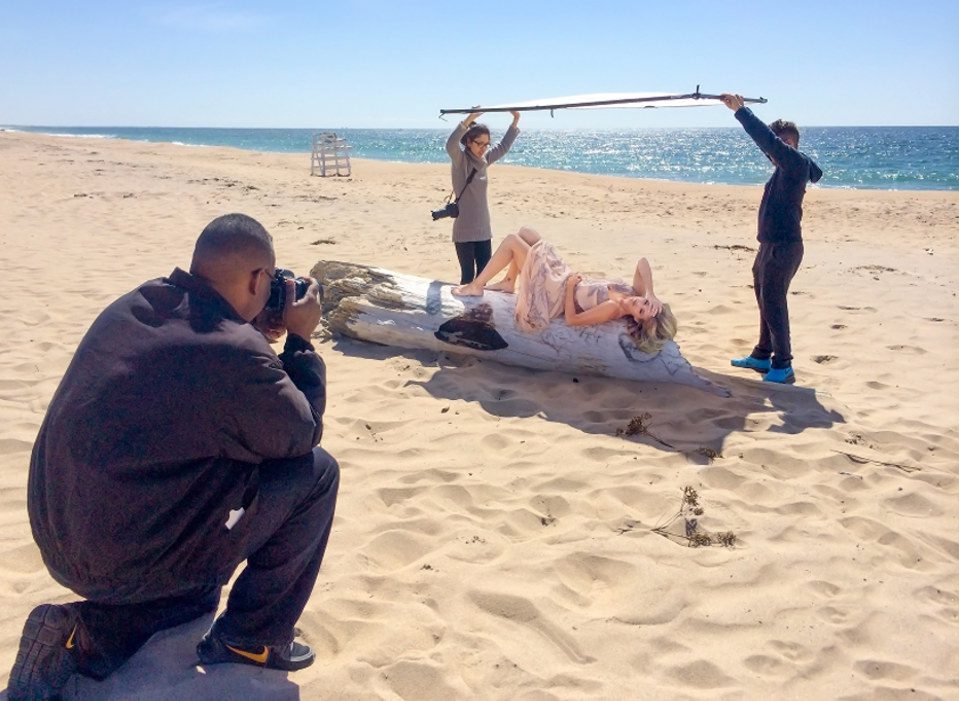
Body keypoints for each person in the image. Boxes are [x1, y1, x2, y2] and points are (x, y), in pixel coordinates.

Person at [8, 213, 340, 699]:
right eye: (270, 281)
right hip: (123, 558)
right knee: (317, 473)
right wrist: (301, 341)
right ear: (256, 279)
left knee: (195, 596)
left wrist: (249, 327)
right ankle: (251, 640)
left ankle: (81, 639)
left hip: (60, 535)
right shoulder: (235, 352)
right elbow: (301, 432)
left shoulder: (136, 303)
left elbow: (198, 376)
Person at [720, 93, 823, 384]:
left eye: (785, 142)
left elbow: (767, 141)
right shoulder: (781, 168)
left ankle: (784, 364)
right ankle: (763, 354)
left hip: (785, 246)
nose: (780, 147)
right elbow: (769, 146)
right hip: (768, 245)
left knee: (775, 303)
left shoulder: (796, 164)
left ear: (794, 144)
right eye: (779, 142)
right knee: (765, 301)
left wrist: (741, 111)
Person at [452, 227, 677, 354]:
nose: (640, 304)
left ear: (636, 319)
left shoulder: (613, 308)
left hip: (556, 294)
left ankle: (476, 285)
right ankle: (509, 281)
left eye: (641, 311)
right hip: (562, 277)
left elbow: (572, 319)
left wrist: (569, 288)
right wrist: (650, 293)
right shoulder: (636, 292)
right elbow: (642, 262)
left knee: (512, 241)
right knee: (526, 233)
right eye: (645, 303)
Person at [445, 110, 521, 285]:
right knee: (467, 279)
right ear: (468, 142)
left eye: (487, 144)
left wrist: (515, 120)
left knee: (483, 279)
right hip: (465, 231)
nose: (483, 148)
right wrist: (470, 119)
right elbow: (450, 145)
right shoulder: (460, 161)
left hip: (484, 230)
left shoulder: (484, 161)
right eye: (480, 143)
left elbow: (503, 147)